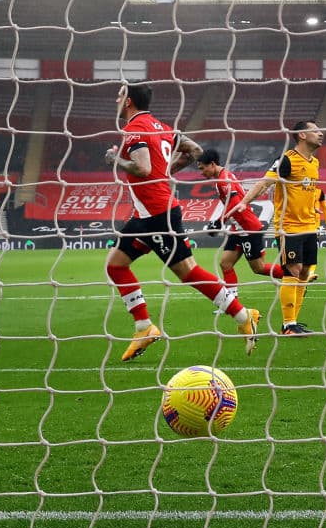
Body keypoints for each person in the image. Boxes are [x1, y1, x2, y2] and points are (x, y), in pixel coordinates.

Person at [104, 82, 260, 361]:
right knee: (116, 265)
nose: (115, 99)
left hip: (158, 215)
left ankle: (243, 315)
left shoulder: (134, 129)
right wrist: (166, 171)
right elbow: (195, 149)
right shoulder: (162, 127)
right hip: (144, 216)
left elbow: (142, 168)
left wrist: (116, 159)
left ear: (128, 101)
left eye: (118, 95)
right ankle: (144, 327)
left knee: (188, 272)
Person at [234, 120, 324, 335]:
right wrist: (244, 202)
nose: (321, 134)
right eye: (316, 131)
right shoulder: (287, 160)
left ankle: (294, 322)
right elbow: (264, 183)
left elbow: (309, 190)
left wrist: (314, 207)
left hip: (310, 225)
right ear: (302, 135)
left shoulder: (315, 162)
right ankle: (288, 324)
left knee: (305, 272)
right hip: (289, 226)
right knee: (293, 270)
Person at [196, 148, 284, 297]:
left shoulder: (224, 179)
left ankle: (295, 277)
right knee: (225, 263)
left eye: (202, 168)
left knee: (259, 268)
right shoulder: (223, 177)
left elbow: (235, 202)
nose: (201, 172)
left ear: (212, 164)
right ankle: (231, 301)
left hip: (248, 227)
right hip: (237, 228)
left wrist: (220, 221)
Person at [307, 188, 326, 283]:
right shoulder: (300, 189)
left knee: (313, 250)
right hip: (301, 225)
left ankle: (310, 273)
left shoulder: (319, 192)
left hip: (314, 227)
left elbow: (325, 207)